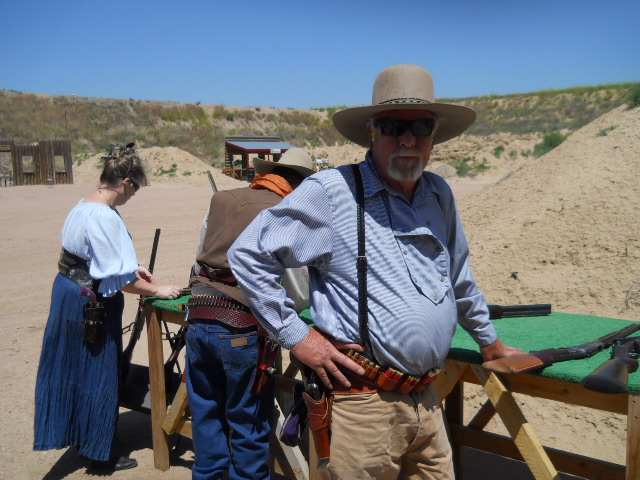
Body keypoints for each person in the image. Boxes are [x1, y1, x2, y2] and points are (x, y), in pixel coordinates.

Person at [228, 64, 523, 479]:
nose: (407, 139)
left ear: (434, 135)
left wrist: (489, 343)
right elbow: (248, 254)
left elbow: (458, 276)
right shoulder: (333, 192)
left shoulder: (439, 193)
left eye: (420, 126)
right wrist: (298, 337)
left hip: (427, 400)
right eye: (392, 126)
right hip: (361, 407)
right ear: (372, 132)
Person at [34, 143, 182, 471]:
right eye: (136, 188)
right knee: (99, 372)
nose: (134, 195)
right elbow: (121, 280)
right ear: (126, 183)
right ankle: (100, 454)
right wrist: (157, 289)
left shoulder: (85, 205)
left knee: (77, 368)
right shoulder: (104, 215)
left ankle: (84, 438)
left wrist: (134, 267)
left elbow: (92, 255)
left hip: (70, 291)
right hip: (91, 301)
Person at [186, 148, 314, 480]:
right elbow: (298, 290)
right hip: (242, 328)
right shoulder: (288, 210)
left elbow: (200, 258)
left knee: (205, 415)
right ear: (301, 183)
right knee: (249, 422)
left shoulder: (222, 199)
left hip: (199, 316)